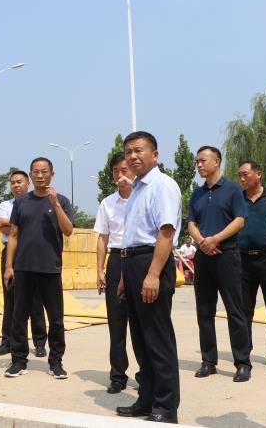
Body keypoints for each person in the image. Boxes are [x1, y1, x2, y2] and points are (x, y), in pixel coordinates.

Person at [115, 131, 181, 424]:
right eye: (128, 151)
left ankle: (166, 406)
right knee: (140, 339)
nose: (132, 156)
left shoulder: (162, 185)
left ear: (155, 155)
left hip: (151, 261)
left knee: (157, 337)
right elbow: (131, 235)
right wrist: (123, 277)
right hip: (132, 263)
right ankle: (147, 398)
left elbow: (166, 232)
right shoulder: (137, 189)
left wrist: (153, 274)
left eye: (138, 150)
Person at [3, 157, 73, 379]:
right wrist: (9, 266)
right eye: (36, 171)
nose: (40, 175)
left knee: (56, 318)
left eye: (44, 171)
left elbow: (68, 230)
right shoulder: (21, 202)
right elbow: (13, 235)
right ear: (31, 175)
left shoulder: (62, 201)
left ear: (52, 174)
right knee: (19, 316)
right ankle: (18, 360)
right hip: (23, 268)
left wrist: (55, 204)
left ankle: (56, 362)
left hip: (50, 268)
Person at [187, 146, 252, 382]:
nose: (199, 165)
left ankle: (242, 363)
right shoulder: (197, 194)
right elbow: (191, 223)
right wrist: (202, 241)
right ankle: (208, 361)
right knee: (204, 311)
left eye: (203, 160)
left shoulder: (233, 190)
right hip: (203, 256)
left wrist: (216, 239)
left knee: (235, 310)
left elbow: (240, 220)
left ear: (217, 162)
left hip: (227, 256)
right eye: (197, 161)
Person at [236, 160, 266, 369]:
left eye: (245, 174)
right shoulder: (237, 199)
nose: (241, 178)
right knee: (244, 309)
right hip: (243, 259)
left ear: (258, 174)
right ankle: (244, 351)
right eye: (239, 175)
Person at [0, 170, 47, 358]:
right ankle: (7, 341)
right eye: (13, 183)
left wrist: (10, 224)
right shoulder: (5, 205)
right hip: (10, 254)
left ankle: (39, 343)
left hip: (31, 253)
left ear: (28, 183)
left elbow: (11, 226)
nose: (16, 185)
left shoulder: (36, 203)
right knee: (10, 298)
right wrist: (24, 225)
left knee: (35, 299)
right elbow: (0, 226)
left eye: (19, 182)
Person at [94, 151, 133, 394]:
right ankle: (118, 375)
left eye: (124, 170)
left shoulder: (144, 197)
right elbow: (102, 238)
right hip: (116, 260)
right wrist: (100, 270)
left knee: (142, 324)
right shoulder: (107, 203)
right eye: (116, 171)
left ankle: (146, 373)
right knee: (116, 323)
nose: (120, 175)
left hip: (139, 259)